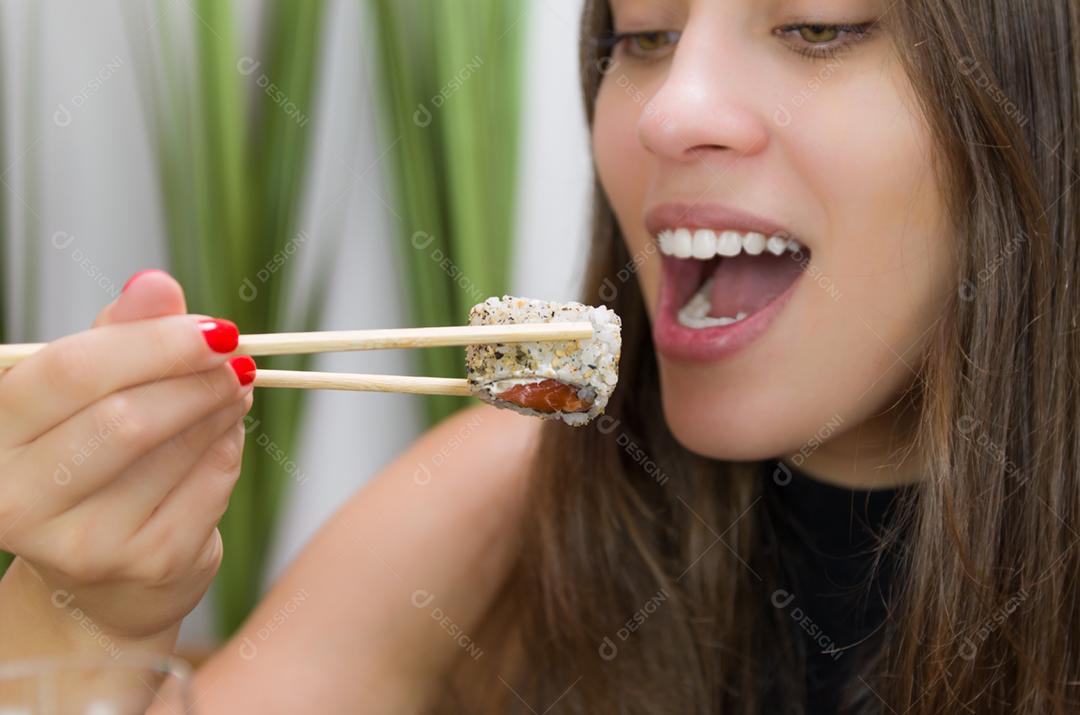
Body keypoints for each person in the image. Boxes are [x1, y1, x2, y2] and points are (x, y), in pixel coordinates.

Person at [2, 0, 1079, 712]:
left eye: (816, 24)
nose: (669, 112)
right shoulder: (505, 496)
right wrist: (80, 611)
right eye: (644, 35)